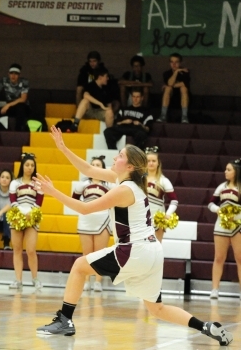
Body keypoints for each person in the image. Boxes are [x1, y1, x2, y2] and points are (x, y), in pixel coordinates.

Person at [34, 127, 233, 347]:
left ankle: (65, 320)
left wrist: (53, 192)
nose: (114, 157)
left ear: (129, 166)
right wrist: (63, 148)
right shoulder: (129, 181)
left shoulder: (124, 189)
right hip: (153, 252)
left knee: (80, 266)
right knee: (157, 309)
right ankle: (205, 326)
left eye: (119, 156)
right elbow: (89, 168)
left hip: (134, 249)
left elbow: (84, 208)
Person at [72, 156, 113, 292]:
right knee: (87, 253)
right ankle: (86, 281)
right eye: (93, 164)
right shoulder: (82, 185)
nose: (95, 167)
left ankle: (98, 281)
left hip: (103, 219)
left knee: (100, 253)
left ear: (103, 168)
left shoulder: (110, 185)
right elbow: (74, 200)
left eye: (98, 165)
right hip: (86, 220)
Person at [9, 153, 43, 291]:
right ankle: (18, 280)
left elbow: (39, 202)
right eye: (27, 165)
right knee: (17, 249)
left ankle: (35, 279)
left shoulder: (38, 184)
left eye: (32, 165)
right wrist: (19, 214)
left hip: (32, 218)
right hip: (17, 218)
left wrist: (31, 213)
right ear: (22, 166)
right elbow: (12, 200)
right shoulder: (15, 183)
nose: (29, 168)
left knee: (30, 250)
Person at [208, 158, 241, 300]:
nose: (225, 172)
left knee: (240, 258)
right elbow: (210, 204)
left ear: (236, 172)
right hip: (221, 225)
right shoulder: (221, 187)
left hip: (238, 226)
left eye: (229, 170)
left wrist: (237, 216)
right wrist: (219, 211)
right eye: (226, 169)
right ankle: (215, 289)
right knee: (219, 258)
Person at [0, 64, 30, 132]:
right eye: (11, 73)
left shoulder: (24, 81)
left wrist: (7, 105)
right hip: (10, 108)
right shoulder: (4, 80)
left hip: (22, 108)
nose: (13, 76)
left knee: (20, 107)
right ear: (8, 74)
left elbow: (23, 99)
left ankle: (18, 132)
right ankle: (5, 131)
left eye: (16, 74)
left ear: (19, 75)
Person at [146, 148, 178, 243]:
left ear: (158, 163)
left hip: (157, 219)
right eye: (148, 161)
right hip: (140, 218)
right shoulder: (139, 179)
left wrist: (167, 214)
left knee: (155, 249)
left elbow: (174, 200)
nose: (151, 163)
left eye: (153, 161)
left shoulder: (164, 181)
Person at [157, 53, 190, 124]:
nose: (174, 64)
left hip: (184, 99)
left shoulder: (185, 72)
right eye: (172, 62)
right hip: (171, 99)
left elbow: (184, 84)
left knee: (183, 88)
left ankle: (184, 116)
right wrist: (176, 71)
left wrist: (170, 85)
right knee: (168, 89)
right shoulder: (166, 73)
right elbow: (170, 83)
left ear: (180, 63)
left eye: (176, 62)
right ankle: (163, 116)